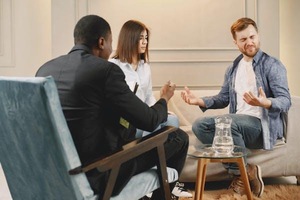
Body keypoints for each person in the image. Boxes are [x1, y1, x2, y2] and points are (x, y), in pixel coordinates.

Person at [36, 15, 189, 200]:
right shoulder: (106, 70)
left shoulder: (45, 70)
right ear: (101, 42)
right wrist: (164, 98)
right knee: (177, 137)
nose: (111, 48)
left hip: (54, 173)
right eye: (110, 42)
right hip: (100, 172)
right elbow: (149, 121)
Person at [181, 17, 291, 197]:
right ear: (235, 42)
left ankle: (241, 178)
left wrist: (266, 102)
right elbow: (223, 98)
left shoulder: (272, 65)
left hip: (261, 126)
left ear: (258, 35)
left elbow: (285, 100)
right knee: (199, 126)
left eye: (252, 37)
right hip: (238, 123)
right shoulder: (233, 68)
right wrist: (199, 101)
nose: (249, 42)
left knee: (227, 123)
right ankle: (246, 171)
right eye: (243, 39)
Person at [109, 20, 179, 138]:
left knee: (172, 120)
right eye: (141, 38)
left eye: (146, 38)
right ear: (129, 38)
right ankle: (149, 155)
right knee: (153, 125)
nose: (145, 42)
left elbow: (148, 96)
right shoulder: (114, 66)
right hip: (126, 123)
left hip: (145, 117)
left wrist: (159, 112)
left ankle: (165, 155)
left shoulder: (145, 67)